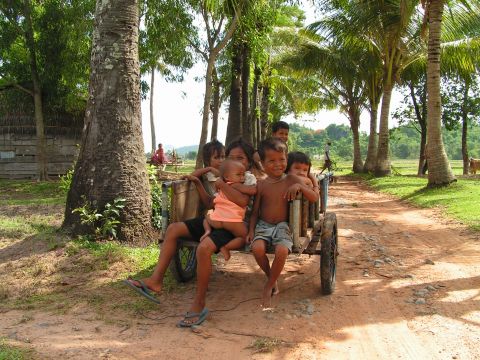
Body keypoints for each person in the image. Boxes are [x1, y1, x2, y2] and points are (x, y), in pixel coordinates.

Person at [124, 138, 257, 327]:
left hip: (231, 224)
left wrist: (223, 184)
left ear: (249, 162)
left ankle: (199, 303)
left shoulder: (247, 178)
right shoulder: (223, 177)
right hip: (215, 218)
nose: (235, 161)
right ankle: (155, 281)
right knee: (173, 229)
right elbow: (211, 203)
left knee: (203, 248)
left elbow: (242, 202)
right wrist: (198, 183)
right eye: (231, 157)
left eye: (241, 158)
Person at [247, 138, 318, 308]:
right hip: (263, 225)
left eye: (282, 159)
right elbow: (255, 211)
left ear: (286, 160)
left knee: (282, 251)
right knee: (257, 249)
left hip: (282, 226)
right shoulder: (262, 184)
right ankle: (272, 277)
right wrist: (251, 231)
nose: (278, 164)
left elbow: (314, 197)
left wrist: (300, 187)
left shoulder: (291, 179)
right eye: (271, 160)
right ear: (262, 164)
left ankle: (269, 285)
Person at [201, 159, 255, 261]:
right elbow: (253, 190)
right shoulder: (237, 184)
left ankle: (207, 230)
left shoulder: (221, 185)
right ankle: (225, 247)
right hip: (232, 221)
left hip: (216, 220)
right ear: (226, 177)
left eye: (243, 175)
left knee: (206, 217)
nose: (243, 178)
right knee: (244, 238)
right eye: (239, 175)